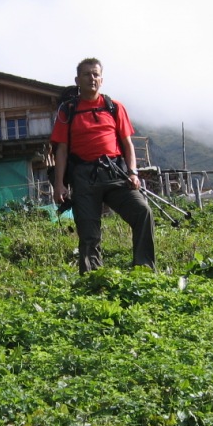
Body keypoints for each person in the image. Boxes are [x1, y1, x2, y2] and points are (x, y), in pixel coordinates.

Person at [51, 57, 155, 273]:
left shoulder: (114, 107)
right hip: (83, 177)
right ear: (77, 80)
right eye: (86, 74)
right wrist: (59, 184)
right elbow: (61, 150)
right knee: (88, 232)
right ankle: (93, 280)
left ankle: (144, 269)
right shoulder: (68, 110)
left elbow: (127, 144)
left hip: (115, 172)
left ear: (101, 79)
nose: (92, 78)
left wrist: (133, 173)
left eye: (95, 74)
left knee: (142, 212)